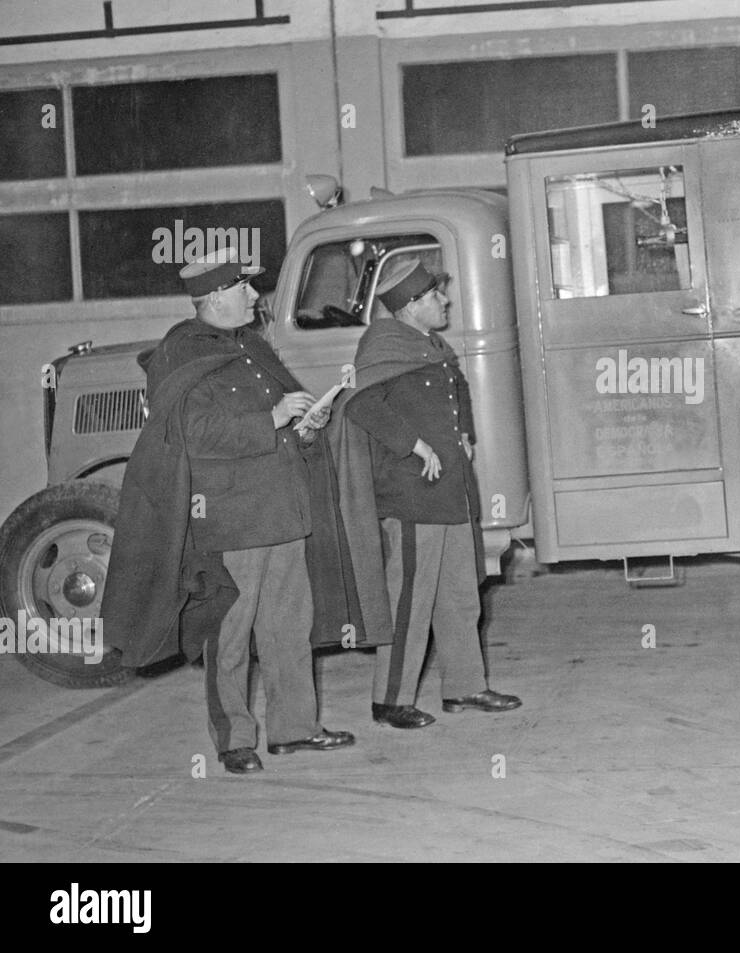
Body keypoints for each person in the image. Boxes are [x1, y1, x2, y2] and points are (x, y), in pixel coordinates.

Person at [102, 247, 390, 774]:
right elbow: (191, 433)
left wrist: (305, 420)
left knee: (289, 627)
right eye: (244, 289)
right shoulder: (181, 353)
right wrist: (273, 418)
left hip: (282, 511)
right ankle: (235, 739)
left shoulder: (253, 346)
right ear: (214, 297)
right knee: (229, 634)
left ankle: (294, 729)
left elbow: (282, 411)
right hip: (232, 521)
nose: (255, 297)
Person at [331, 255, 521, 729]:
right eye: (436, 295)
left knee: (460, 594)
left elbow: (455, 389)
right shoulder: (383, 343)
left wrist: (466, 434)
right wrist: (412, 444)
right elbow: (361, 404)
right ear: (412, 304)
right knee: (409, 600)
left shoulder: (429, 343)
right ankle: (390, 699)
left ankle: (464, 686)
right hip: (412, 494)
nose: (446, 301)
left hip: (449, 491)